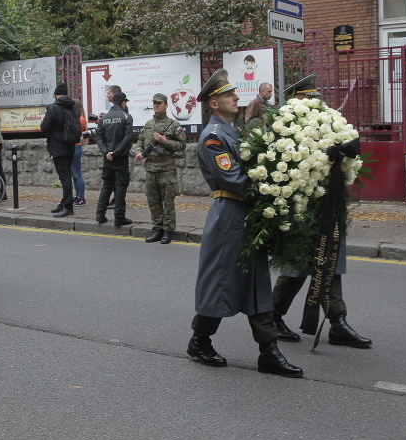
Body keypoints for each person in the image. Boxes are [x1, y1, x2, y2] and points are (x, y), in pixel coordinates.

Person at [186, 69, 301, 378]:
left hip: (247, 214)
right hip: (230, 215)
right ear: (213, 104)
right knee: (222, 281)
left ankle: (268, 352)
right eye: (228, 94)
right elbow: (233, 178)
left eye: (234, 93)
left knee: (256, 280)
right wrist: (274, 188)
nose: (236, 97)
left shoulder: (234, 131)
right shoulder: (213, 137)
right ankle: (200, 340)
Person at [270, 74, 372, 349]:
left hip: (330, 202)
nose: (316, 103)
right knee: (296, 266)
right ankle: (273, 316)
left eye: (317, 98)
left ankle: (338, 323)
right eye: (310, 98)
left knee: (331, 261)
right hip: (301, 205)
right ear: (297, 100)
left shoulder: (329, 124)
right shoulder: (285, 128)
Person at [134, 93, 187, 244]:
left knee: (168, 202)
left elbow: (182, 146)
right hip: (151, 169)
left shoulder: (174, 125)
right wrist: (138, 152)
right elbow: (139, 142)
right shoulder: (148, 124)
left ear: (165, 105)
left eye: (159, 103)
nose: (156, 105)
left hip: (167, 169)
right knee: (153, 201)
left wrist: (165, 141)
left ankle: (168, 231)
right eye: (154, 103)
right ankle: (157, 229)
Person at [40, 83, 81, 218]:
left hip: (58, 147)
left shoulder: (53, 108)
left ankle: (68, 207)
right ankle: (64, 203)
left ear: (56, 95)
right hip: (70, 145)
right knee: (67, 175)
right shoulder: (74, 108)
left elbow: (44, 126)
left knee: (65, 178)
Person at [94, 91, 133, 226]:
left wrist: (106, 153)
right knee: (120, 187)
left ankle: (100, 214)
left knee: (107, 185)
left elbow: (99, 137)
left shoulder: (104, 118)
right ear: (123, 102)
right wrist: (116, 153)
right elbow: (127, 137)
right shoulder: (126, 116)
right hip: (120, 158)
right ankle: (119, 217)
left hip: (108, 158)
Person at [73, 103, 88, 206]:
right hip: (75, 146)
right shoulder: (80, 118)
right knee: (74, 174)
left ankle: (81, 197)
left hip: (75, 146)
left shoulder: (79, 119)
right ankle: (78, 195)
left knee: (77, 174)